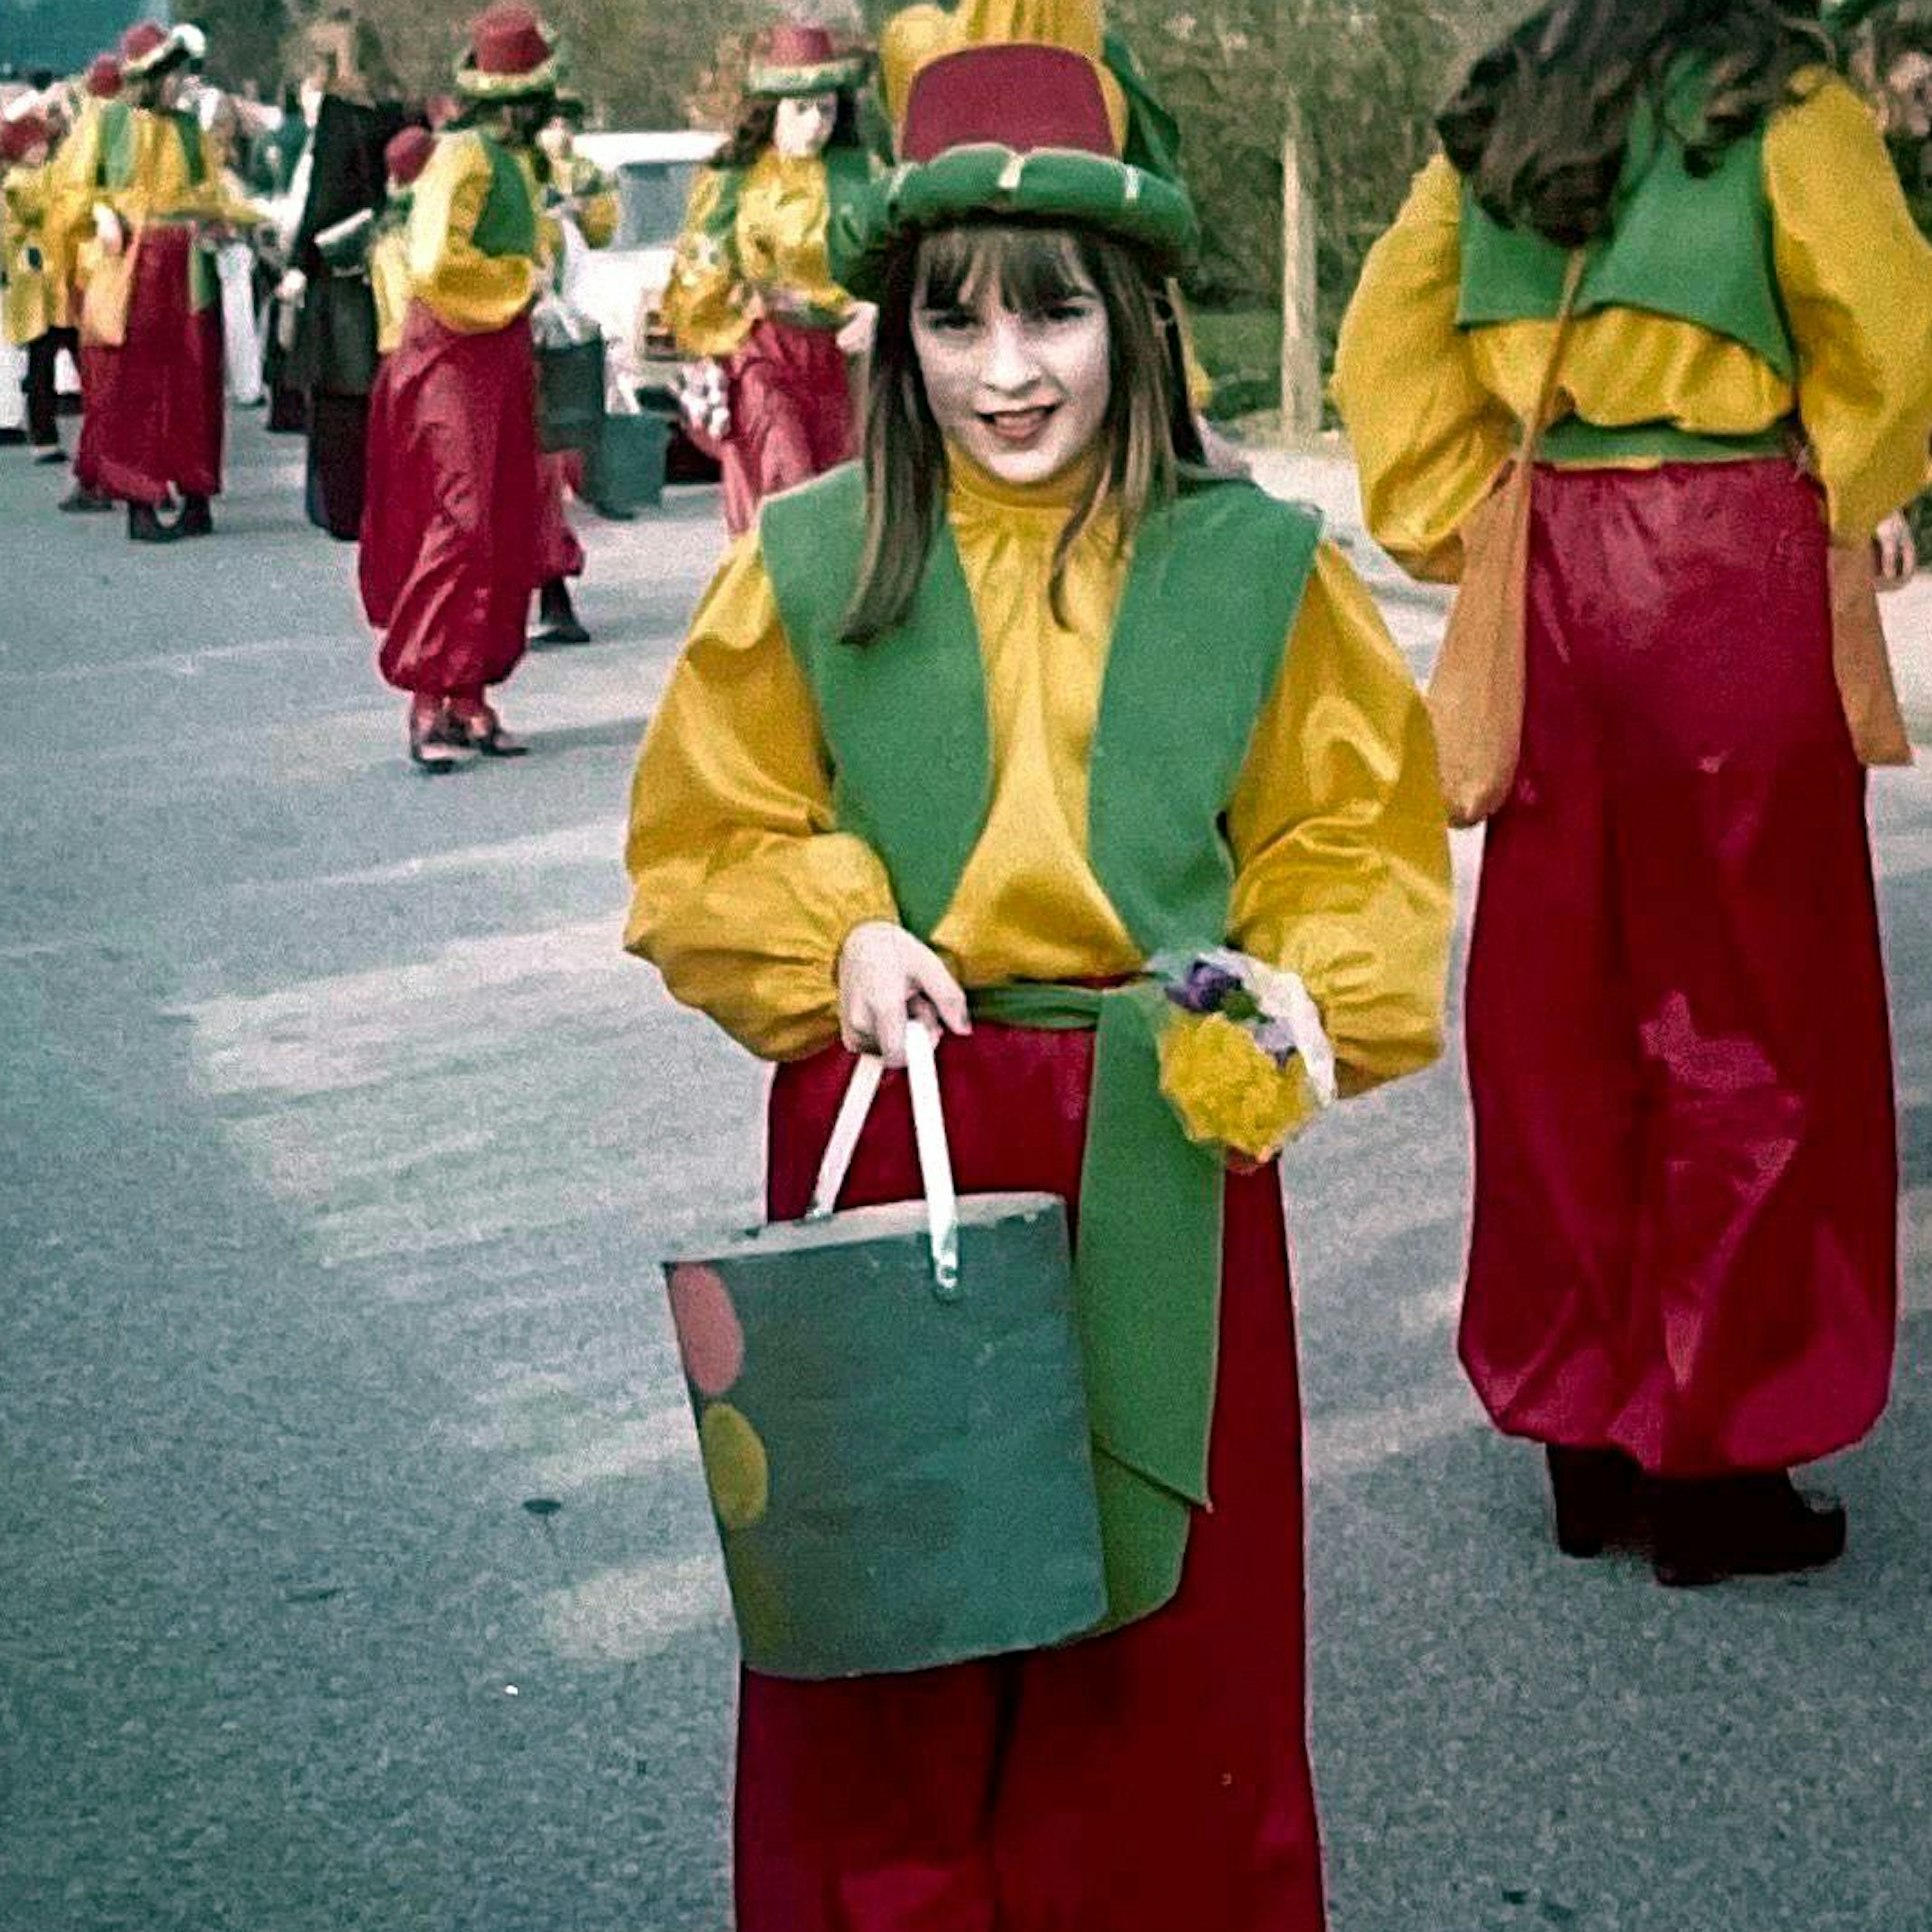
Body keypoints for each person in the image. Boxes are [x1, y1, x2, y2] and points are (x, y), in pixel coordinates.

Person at [625, 18, 1452, 1929]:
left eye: (1056, 318)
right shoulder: (814, 557)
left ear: (1136, 322)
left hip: (1157, 1119)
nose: (1008, 373)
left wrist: (1298, 994)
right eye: (957, 325)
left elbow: (1349, 834)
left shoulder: (1254, 565)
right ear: (897, 340)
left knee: (1166, 1629)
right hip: (894, 1095)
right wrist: (840, 927)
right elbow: (704, 832)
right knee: (893, 1612)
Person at [1335, 0, 1932, 1587]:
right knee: (1747, 1001)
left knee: (1562, 999)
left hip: (1552, 562)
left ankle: (1584, 1423)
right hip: (1729, 564)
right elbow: (1889, 329)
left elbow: (1388, 354)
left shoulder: (1500, 110)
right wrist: (1859, 482)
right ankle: (1718, 1454)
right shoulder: (1785, 108)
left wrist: (1462, 516)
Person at [358, 4, 557, 770]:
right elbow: (438, 263)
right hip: (451, 356)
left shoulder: (512, 162)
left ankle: (470, 694)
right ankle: (427, 695)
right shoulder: (464, 156)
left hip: (499, 352)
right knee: (464, 518)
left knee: (504, 521)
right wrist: (520, 278)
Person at [661, 20, 877, 534]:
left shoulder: (860, 173)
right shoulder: (733, 180)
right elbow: (696, 274)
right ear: (772, 110)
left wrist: (874, 308)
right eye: (801, 110)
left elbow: (897, 259)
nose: (816, 124)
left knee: (843, 499)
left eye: (826, 110)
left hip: (844, 362)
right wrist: (736, 307)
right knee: (785, 483)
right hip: (764, 354)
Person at [51, 20, 260, 543]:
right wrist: (99, 210)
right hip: (130, 267)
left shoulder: (189, 129)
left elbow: (208, 192)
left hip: (187, 265)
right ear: (151, 76)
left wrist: (241, 216)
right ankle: (139, 502)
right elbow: (67, 191)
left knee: (194, 382)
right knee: (133, 386)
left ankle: (196, 493)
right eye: (173, 73)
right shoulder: (107, 123)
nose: (182, 83)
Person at [280, 13, 410, 540]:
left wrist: (297, 263)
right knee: (380, 393)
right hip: (391, 260)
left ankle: (345, 508)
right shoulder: (398, 106)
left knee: (338, 394)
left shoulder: (338, 113)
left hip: (340, 268)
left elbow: (325, 197)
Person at [528, 92, 619, 646]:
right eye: (551, 121)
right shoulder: (508, 175)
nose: (559, 132)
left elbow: (599, 242)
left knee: (544, 476)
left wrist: (581, 212)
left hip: (552, 345)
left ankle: (553, 591)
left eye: (567, 121)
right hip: (508, 339)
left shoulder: (584, 179)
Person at [2, 112, 69, 464]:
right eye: (32, 144)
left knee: (47, 364)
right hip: (38, 287)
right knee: (41, 367)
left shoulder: (46, 175)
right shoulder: (16, 184)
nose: (40, 149)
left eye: (42, 142)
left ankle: (46, 435)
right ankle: (43, 437)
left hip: (56, 286)